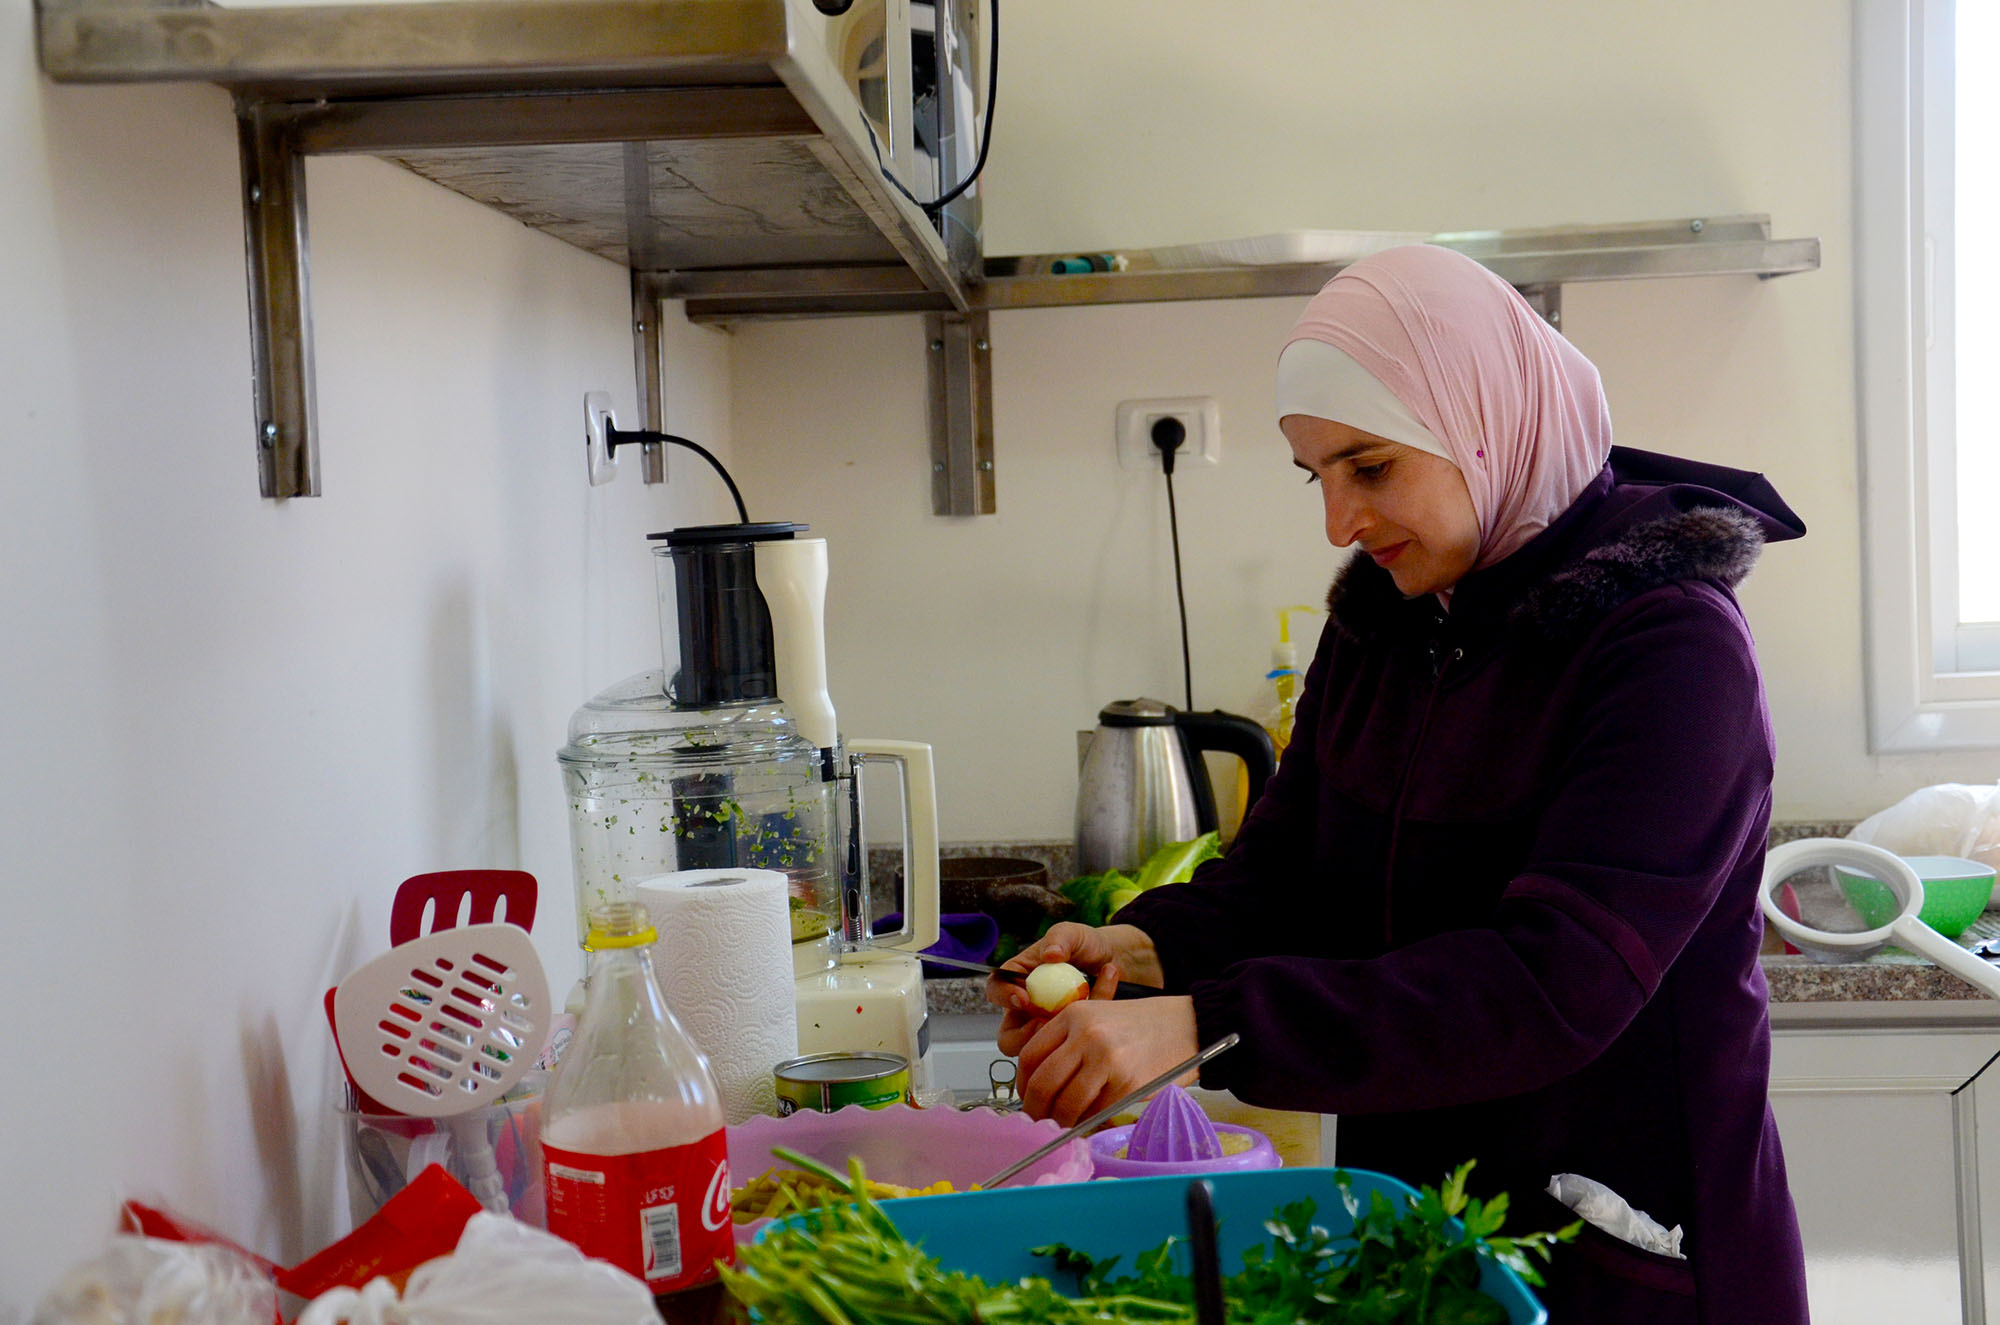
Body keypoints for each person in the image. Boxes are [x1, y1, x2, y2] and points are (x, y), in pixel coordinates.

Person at [988, 244, 1810, 1322]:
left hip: (1620, 1235)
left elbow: (1552, 983)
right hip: (1420, 1224)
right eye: (1317, 476)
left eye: (1369, 468)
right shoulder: (1386, 621)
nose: (1337, 522)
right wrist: (1140, 950)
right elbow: (1282, 878)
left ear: (1485, 423)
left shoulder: (1667, 644)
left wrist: (1203, 1024)